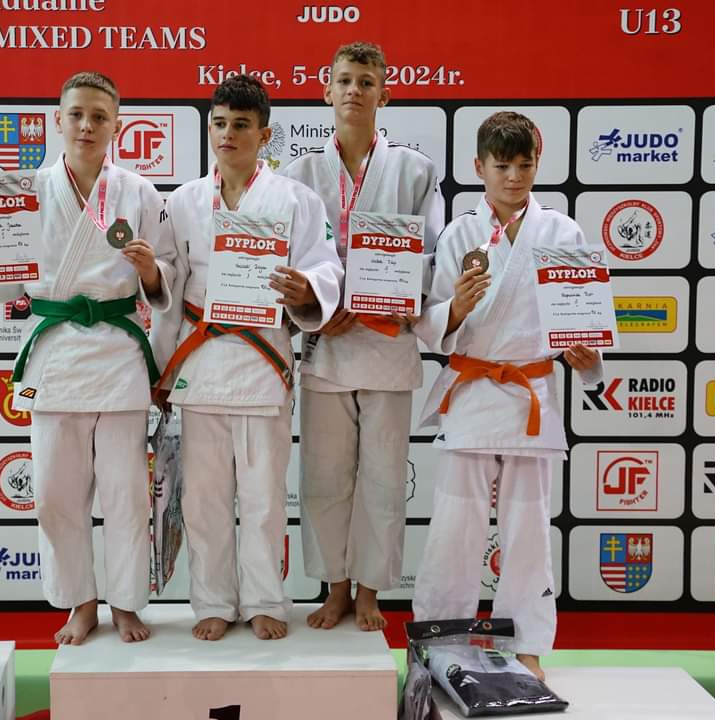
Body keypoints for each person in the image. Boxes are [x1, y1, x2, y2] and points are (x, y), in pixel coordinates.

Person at [0, 72, 174, 646]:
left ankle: (125, 603)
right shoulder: (26, 192)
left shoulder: (139, 193)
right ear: (57, 119)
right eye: (76, 114)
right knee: (51, 494)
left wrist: (151, 271)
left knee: (126, 495)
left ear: (117, 124)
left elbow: (167, 271)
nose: (87, 125)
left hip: (118, 355)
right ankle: (80, 601)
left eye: (99, 116)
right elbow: (8, 282)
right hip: (53, 357)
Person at [409, 111, 602, 680]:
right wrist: (457, 308)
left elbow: (582, 316)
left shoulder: (562, 234)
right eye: (502, 166)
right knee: (454, 527)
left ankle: (527, 645)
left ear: (537, 165)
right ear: (480, 167)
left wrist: (586, 355)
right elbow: (430, 323)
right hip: (473, 392)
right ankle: (443, 638)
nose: (514, 177)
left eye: (524, 165)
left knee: (528, 529)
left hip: (530, 393)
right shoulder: (459, 234)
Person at [151, 75, 343, 641]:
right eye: (219, 123)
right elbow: (168, 286)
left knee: (263, 498)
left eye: (240, 124)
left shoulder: (296, 200)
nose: (227, 134)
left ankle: (264, 600)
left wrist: (306, 288)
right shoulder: (183, 201)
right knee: (204, 498)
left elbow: (326, 266)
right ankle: (213, 600)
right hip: (201, 363)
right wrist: (160, 368)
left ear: (264, 134)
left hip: (262, 363)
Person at [280, 41, 445, 631]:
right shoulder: (298, 176)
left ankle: (370, 590)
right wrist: (316, 302)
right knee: (324, 475)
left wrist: (376, 296)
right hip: (326, 341)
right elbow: (288, 259)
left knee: (382, 475)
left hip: (387, 341)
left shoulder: (415, 170)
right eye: (345, 80)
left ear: (384, 94)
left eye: (366, 82)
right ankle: (335, 587)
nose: (355, 90)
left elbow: (432, 255)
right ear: (326, 90)